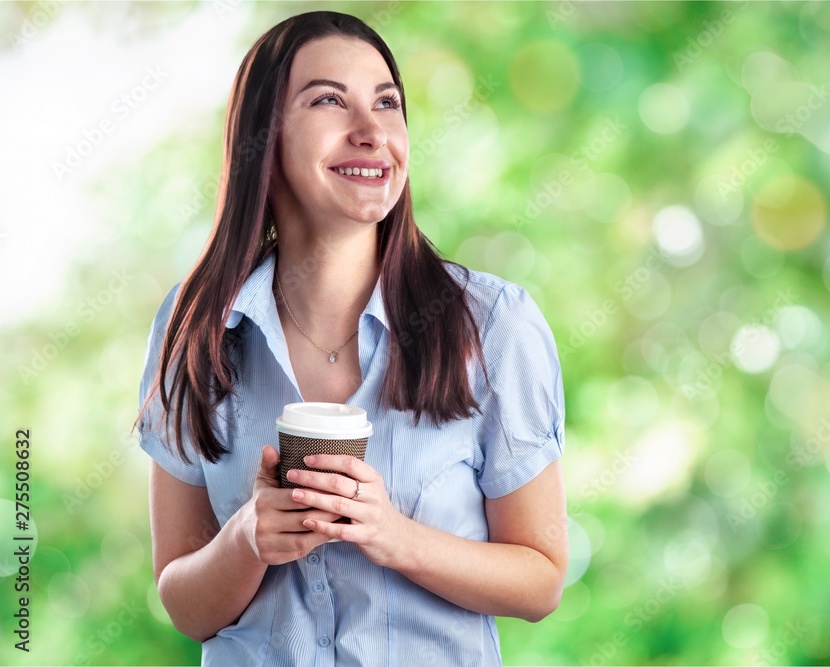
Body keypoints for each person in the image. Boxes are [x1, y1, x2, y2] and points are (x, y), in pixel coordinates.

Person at [135, 10, 568, 667]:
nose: (371, 131)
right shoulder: (195, 327)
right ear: (264, 138)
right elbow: (185, 606)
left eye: (387, 103)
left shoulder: (491, 324)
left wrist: (393, 535)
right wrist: (248, 538)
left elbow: (541, 580)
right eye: (329, 101)